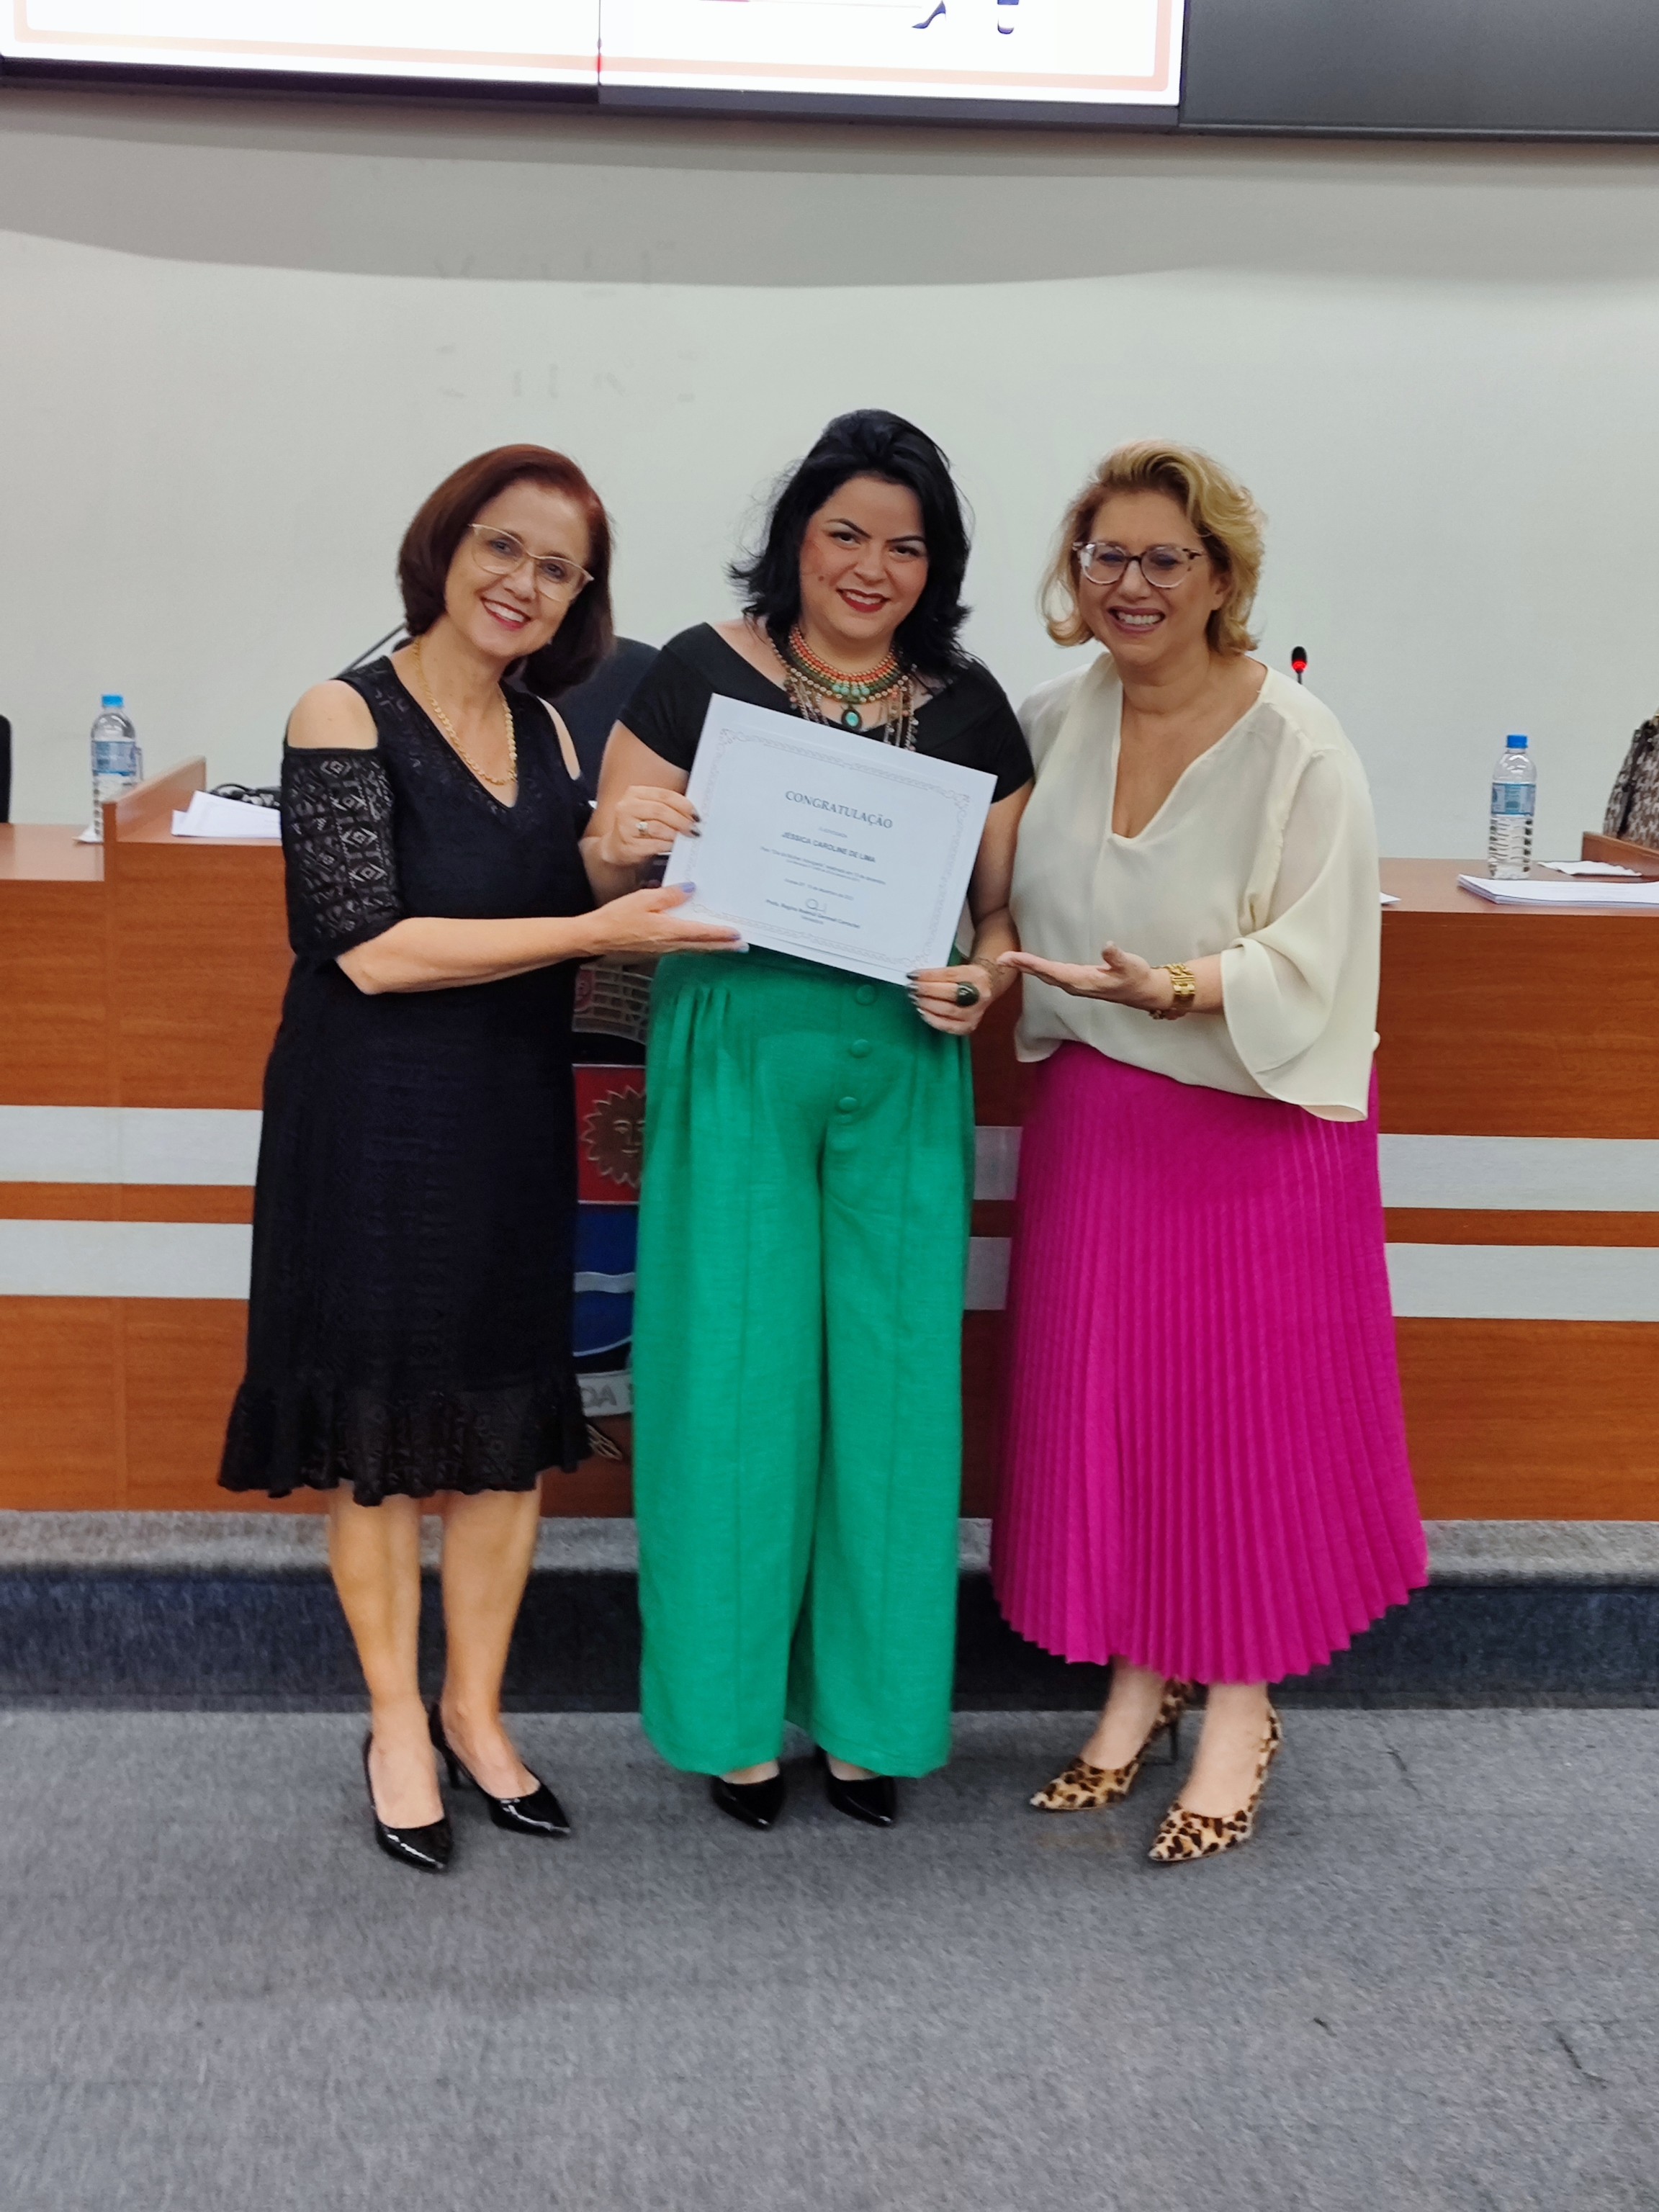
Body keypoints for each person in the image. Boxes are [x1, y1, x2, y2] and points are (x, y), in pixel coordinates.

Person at [220, 445, 736, 1873]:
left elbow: (559, 885)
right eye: (504, 547)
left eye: (560, 569)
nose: (525, 584)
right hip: (372, 1118)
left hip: (510, 1115)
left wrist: (620, 850)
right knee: (381, 1442)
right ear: (445, 546)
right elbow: (368, 947)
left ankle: (477, 1714)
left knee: (507, 1436)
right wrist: (595, 925)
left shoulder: (550, 729)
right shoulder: (342, 711)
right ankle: (397, 1724)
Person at [589, 409, 1033, 1829]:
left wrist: (983, 980)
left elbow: (999, 917)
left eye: (906, 546)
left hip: (901, 1062)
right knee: (729, 1380)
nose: (870, 567)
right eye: (845, 533)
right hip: (736, 1048)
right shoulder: (697, 673)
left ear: (936, 566)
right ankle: (728, 1724)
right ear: (795, 538)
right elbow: (609, 861)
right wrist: (624, 842)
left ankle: (869, 1721)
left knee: (894, 1395)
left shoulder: (972, 709)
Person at [993, 441, 1426, 1863]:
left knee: (1237, 1428)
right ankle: (1142, 1674)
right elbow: (994, 896)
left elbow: (1322, 952)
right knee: (1118, 1416)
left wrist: (1178, 986)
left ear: (1223, 576)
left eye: (1164, 559)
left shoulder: (1300, 741)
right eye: (1106, 556)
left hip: (1251, 1127)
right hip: (1098, 1125)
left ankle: (1240, 1703)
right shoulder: (1050, 723)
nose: (1132, 585)